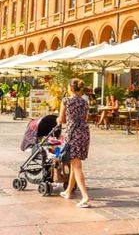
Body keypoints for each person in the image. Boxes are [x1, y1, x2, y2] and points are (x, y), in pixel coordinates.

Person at [58, 78, 91, 208]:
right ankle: (68, 191)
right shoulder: (84, 102)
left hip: (73, 134)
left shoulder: (66, 101)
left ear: (71, 88)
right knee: (74, 162)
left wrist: (57, 119)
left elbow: (62, 120)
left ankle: (85, 197)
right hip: (84, 132)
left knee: (76, 166)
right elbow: (85, 118)